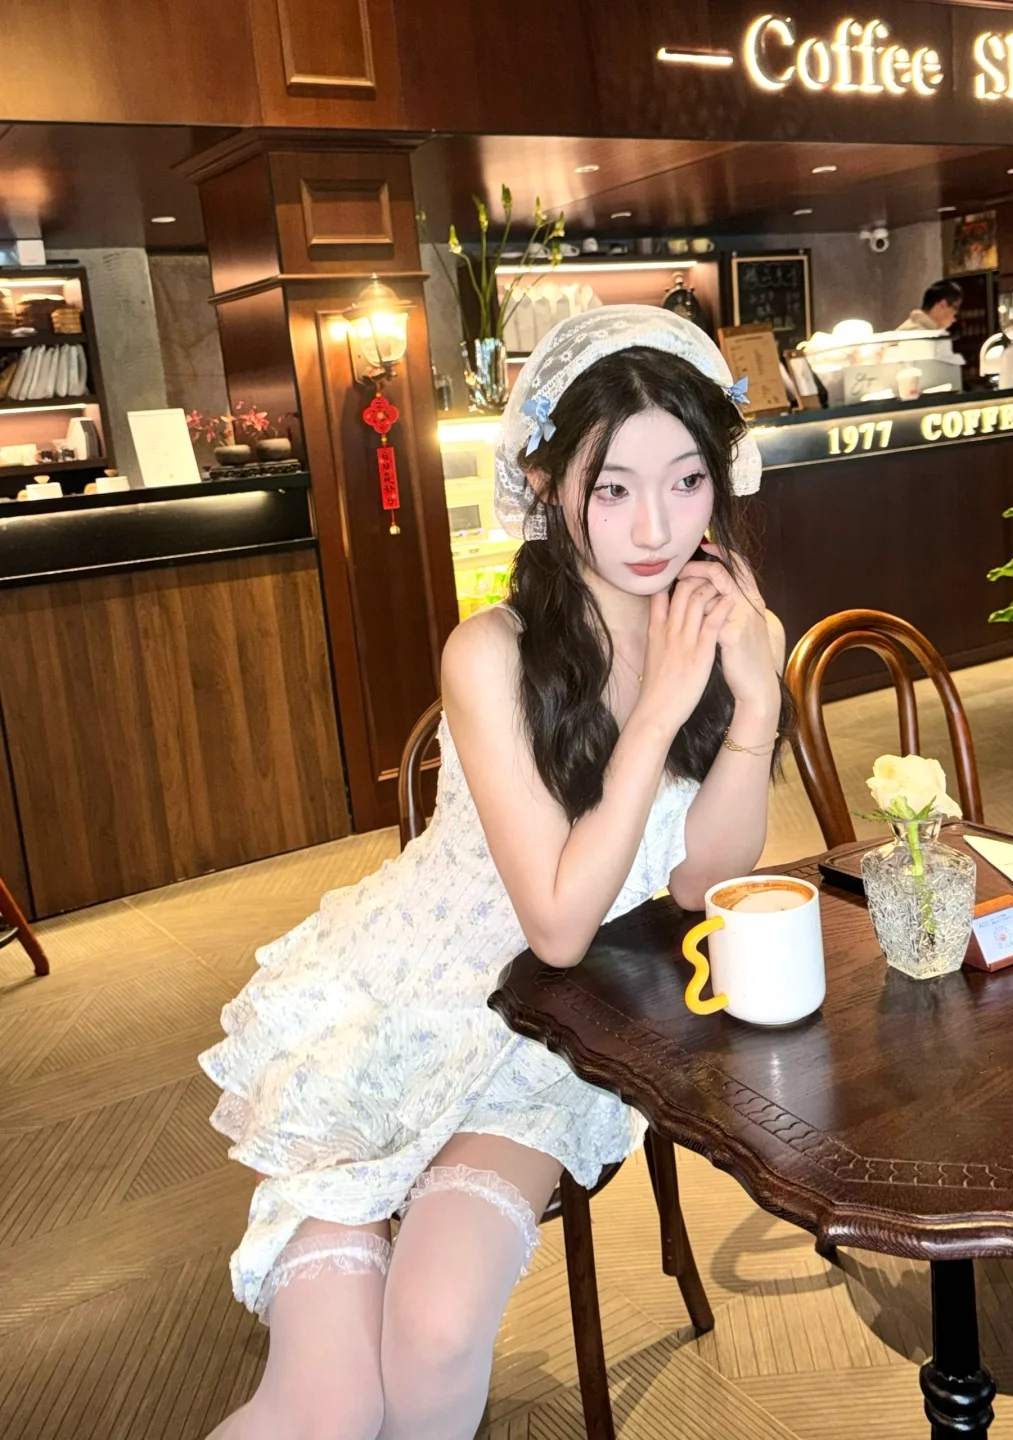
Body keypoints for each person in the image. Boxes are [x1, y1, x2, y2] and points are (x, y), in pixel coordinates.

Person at [200, 305, 791, 1440]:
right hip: (404, 1004)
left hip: (559, 1031)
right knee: (328, 1402)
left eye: (686, 482)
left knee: (430, 1332)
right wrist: (660, 710)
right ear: (544, 481)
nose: (656, 527)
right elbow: (556, 915)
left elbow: (700, 881)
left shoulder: (724, 624)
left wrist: (753, 700)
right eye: (612, 488)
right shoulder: (492, 652)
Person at [897, 278, 964, 332]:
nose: (954, 319)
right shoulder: (917, 333)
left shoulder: (923, 330)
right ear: (943, 304)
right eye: (955, 308)